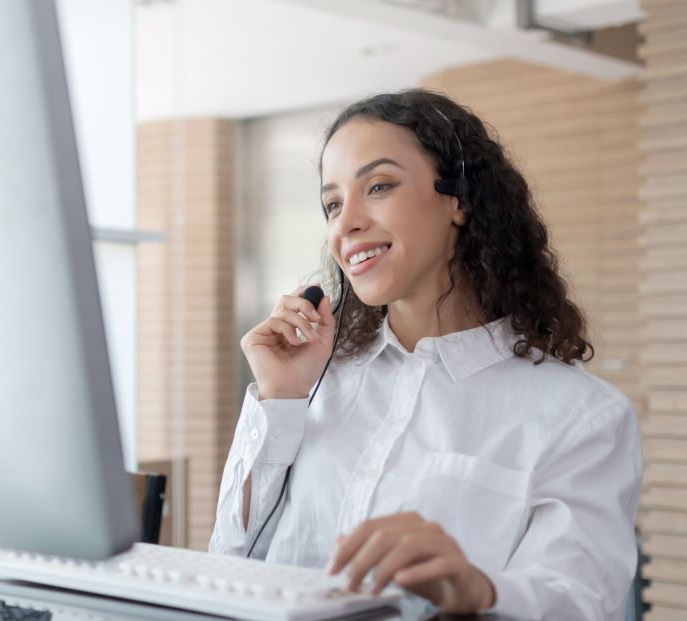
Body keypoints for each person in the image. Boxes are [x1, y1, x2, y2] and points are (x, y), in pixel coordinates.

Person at [209, 89, 642, 620]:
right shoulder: (317, 382)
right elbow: (228, 561)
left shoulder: (580, 415)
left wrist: (477, 591)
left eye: (379, 186)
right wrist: (280, 399)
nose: (345, 224)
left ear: (459, 200)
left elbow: (578, 602)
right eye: (332, 204)